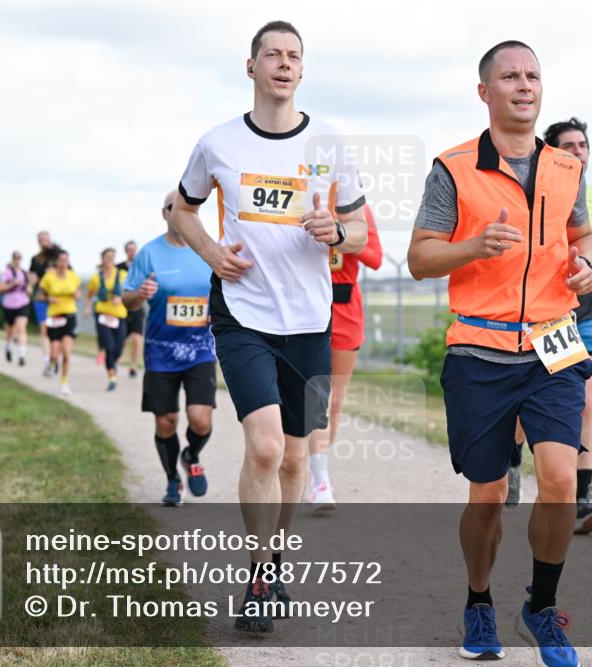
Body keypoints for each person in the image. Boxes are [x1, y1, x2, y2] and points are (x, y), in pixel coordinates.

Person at [169, 20, 367, 634]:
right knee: (265, 445)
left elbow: (359, 230)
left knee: (294, 458)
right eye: (272, 55)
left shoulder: (331, 143)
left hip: (309, 319)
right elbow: (179, 207)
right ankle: (257, 576)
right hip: (242, 311)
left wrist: (336, 232)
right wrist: (209, 252)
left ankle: (275, 555)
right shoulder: (219, 143)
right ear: (250, 67)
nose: (283, 64)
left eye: (294, 56)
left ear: (302, 71)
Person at [407, 41, 592, 665]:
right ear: (484, 91)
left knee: (562, 480)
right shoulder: (453, 168)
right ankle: (479, 602)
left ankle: (541, 609)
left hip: (554, 339)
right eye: (510, 76)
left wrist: (587, 266)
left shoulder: (566, 168)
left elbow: (581, 234)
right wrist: (473, 247)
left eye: (534, 76)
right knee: (487, 493)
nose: (525, 85)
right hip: (479, 347)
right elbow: (419, 259)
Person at [504, 118, 592, 537]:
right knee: (523, 400)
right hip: (547, 312)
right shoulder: (536, 190)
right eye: (567, 145)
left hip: (585, 309)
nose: (577, 152)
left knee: (585, 394)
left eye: (583, 145)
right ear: (549, 153)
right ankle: (513, 458)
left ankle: (581, 496)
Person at [123, 191, 217, 507]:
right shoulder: (149, 254)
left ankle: (191, 455)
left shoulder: (208, 250)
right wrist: (139, 293)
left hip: (200, 350)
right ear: (164, 214)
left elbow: (226, 292)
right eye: (173, 208)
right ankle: (172, 480)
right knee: (166, 421)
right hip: (161, 351)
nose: (180, 214)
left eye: (188, 208)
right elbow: (127, 300)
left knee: (200, 419)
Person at [307, 203, 383, 510]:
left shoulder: (358, 211)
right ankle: (320, 478)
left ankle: (316, 470)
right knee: (313, 397)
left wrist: (341, 235)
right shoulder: (302, 199)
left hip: (345, 312)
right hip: (306, 308)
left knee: (333, 403)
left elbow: (376, 259)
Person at [38, 250, 80, 395]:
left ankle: (64, 383)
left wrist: (76, 295)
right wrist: (48, 299)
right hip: (54, 317)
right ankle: (51, 363)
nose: (63, 263)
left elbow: (78, 294)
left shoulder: (73, 276)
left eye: (66, 261)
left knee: (67, 353)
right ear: (57, 262)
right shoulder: (49, 277)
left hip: (69, 315)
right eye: (61, 260)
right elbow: (39, 295)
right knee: (54, 353)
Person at [86, 248, 129, 391]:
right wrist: (86, 308)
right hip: (102, 315)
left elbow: (130, 291)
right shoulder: (95, 277)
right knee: (109, 347)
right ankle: (112, 377)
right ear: (102, 258)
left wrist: (121, 298)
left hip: (119, 315)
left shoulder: (122, 275)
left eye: (112, 256)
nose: (110, 259)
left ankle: (112, 362)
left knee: (118, 348)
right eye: (107, 256)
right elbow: (90, 294)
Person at [29, 232, 66, 376]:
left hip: (59, 300)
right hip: (42, 298)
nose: (44, 243)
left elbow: (70, 275)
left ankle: (55, 358)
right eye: (41, 241)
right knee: (44, 330)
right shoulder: (35, 259)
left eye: (46, 240)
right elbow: (32, 278)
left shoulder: (60, 256)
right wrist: (30, 283)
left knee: (59, 333)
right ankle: (48, 361)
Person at [0, 251, 30, 366]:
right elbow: (0, 287)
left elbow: (28, 288)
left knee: (21, 328)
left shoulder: (24, 273)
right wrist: (12, 284)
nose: (17, 260)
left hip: (23, 303)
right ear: (13, 259)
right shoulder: (7, 272)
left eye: (19, 258)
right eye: (16, 258)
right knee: (10, 331)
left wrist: (29, 290)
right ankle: (8, 347)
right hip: (9, 304)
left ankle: (22, 355)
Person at [117, 240, 144, 378]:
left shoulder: (142, 267)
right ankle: (115, 360)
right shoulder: (119, 268)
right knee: (121, 338)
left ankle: (133, 365)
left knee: (137, 337)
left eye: (134, 249)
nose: (132, 252)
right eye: (129, 250)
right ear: (126, 251)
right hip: (120, 307)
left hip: (137, 305)